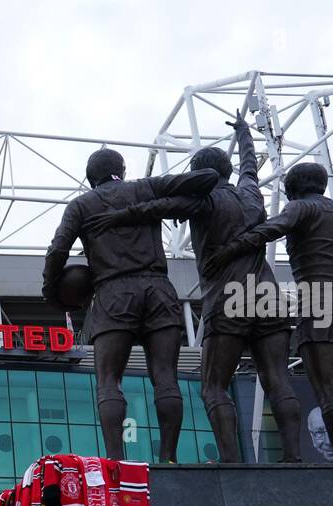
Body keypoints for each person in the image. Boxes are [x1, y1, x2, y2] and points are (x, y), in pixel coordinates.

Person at [84, 112, 303, 462]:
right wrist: (245, 133)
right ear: (228, 171)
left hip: (228, 297)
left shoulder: (204, 201)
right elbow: (250, 166)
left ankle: (231, 463)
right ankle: (294, 457)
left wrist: (119, 215)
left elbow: (157, 206)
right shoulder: (250, 192)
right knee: (277, 378)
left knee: (214, 386)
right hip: (268, 295)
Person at [204, 162, 333, 462]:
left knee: (329, 391)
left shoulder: (300, 208)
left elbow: (270, 229)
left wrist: (229, 250)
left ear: (292, 189)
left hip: (318, 301)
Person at [43, 154, 220, 461]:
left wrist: (51, 290)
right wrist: (147, 207)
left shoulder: (82, 205)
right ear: (122, 172)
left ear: (89, 179)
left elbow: (58, 248)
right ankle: (169, 459)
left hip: (113, 292)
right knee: (166, 377)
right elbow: (208, 177)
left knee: (109, 380)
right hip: (158, 289)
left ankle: (115, 462)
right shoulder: (146, 187)